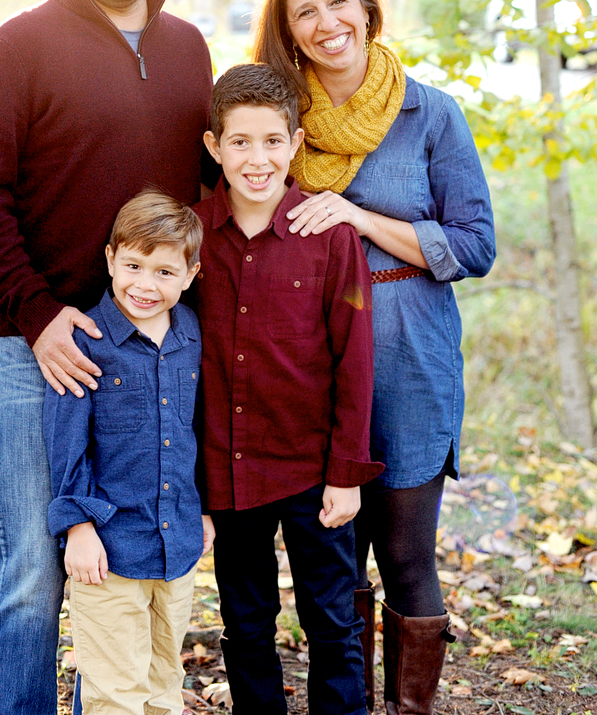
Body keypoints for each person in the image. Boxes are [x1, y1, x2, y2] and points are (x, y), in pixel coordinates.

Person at [0, 0, 214, 715]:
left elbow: (205, 197)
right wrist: (35, 316)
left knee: (132, 564)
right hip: (45, 351)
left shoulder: (187, 50)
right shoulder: (17, 46)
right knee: (32, 564)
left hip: (153, 354)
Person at [252, 0, 496, 715]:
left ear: (366, 7)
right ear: (289, 34)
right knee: (333, 562)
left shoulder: (432, 112)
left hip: (408, 355)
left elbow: (474, 245)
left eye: (337, 3)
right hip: (309, 362)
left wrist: (359, 216)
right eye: (305, 13)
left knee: (404, 555)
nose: (327, 24)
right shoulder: (279, 124)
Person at [194, 63, 384, 715]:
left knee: (333, 623)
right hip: (228, 468)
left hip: (312, 470)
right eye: (240, 142)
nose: (257, 158)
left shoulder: (330, 239)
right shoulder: (190, 238)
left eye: (273, 141)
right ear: (214, 146)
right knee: (246, 628)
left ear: (296, 143)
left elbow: (355, 362)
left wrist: (347, 472)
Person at [43, 190, 214, 715]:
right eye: (134, 265)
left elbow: (194, 431)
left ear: (190, 275)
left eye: (165, 272)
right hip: (109, 551)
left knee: (164, 679)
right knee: (114, 694)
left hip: (176, 545)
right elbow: (66, 444)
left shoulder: (191, 334)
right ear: (111, 258)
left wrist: (202, 508)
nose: (146, 284)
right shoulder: (86, 341)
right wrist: (78, 527)